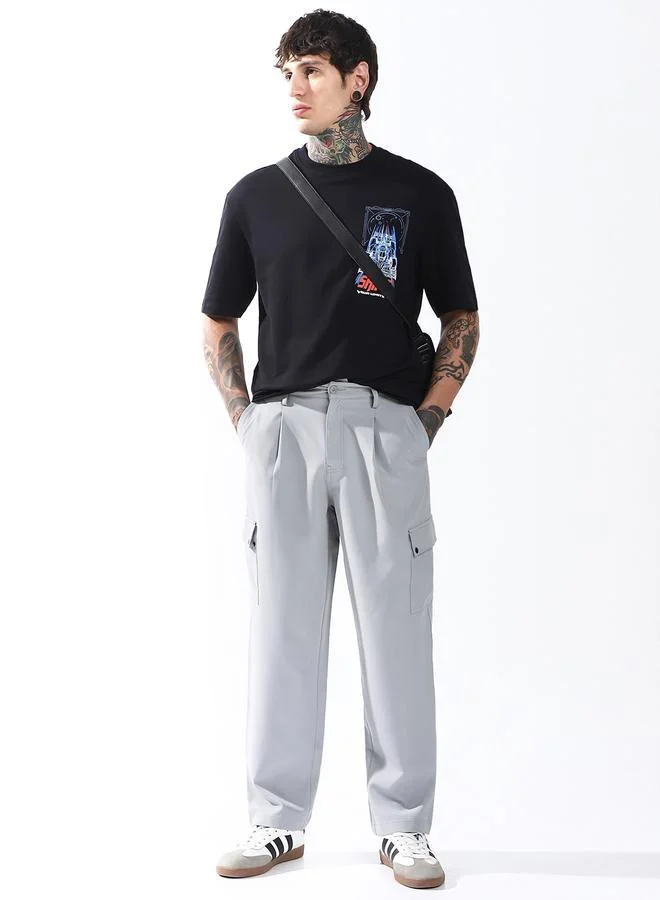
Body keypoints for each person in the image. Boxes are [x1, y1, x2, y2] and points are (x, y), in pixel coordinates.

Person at [202, 9, 480, 890]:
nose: (295, 88)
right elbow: (219, 319)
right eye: (287, 71)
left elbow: (462, 316)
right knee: (282, 631)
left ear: (359, 78)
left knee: (396, 633)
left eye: (312, 70)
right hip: (283, 428)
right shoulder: (254, 196)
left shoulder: (422, 193)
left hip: (383, 425)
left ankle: (405, 827)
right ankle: (276, 821)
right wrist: (247, 422)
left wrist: (423, 423)